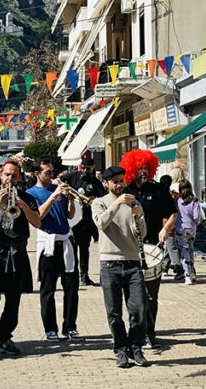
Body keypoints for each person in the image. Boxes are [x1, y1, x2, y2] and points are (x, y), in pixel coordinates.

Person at [0, 160, 41, 358]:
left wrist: (22, 205)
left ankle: (5, 338)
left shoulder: (27, 197)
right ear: (0, 176)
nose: (10, 179)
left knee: (13, 299)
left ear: (19, 177)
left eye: (14, 176)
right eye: (7, 175)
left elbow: (37, 222)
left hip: (18, 251)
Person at [93, 166, 150, 369]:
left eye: (121, 180)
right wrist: (117, 203)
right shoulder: (99, 203)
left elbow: (141, 233)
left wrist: (139, 216)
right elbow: (101, 222)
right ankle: (120, 350)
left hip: (133, 263)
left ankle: (136, 347)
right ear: (106, 183)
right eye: (115, 181)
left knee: (139, 308)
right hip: (109, 263)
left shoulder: (133, 201)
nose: (119, 184)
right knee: (114, 312)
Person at [121, 150, 175, 349]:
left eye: (146, 168)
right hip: (129, 249)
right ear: (131, 170)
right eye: (139, 168)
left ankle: (150, 333)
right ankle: (136, 333)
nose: (143, 172)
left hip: (153, 248)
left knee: (151, 296)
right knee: (134, 296)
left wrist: (165, 229)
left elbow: (173, 213)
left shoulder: (158, 189)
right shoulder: (124, 191)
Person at [26, 159, 80, 341]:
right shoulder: (30, 193)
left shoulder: (60, 191)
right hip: (48, 244)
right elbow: (38, 216)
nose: (51, 176)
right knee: (48, 289)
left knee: (71, 288)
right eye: (47, 172)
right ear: (36, 174)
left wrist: (71, 200)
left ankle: (70, 327)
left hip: (66, 241)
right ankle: (50, 329)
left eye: (52, 172)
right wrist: (52, 196)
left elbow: (70, 215)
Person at [62, 155, 105, 286]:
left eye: (88, 168)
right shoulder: (74, 176)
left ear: (93, 168)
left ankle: (84, 275)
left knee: (84, 250)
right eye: (84, 168)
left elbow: (102, 198)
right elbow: (59, 179)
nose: (85, 170)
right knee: (72, 249)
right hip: (74, 220)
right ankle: (73, 274)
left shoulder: (96, 183)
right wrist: (66, 189)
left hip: (87, 221)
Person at [175, 180, 205, 284]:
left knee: (184, 251)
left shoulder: (178, 202)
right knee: (191, 250)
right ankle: (192, 273)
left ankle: (187, 274)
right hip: (191, 229)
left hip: (180, 229)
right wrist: (196, 224)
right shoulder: (194, 201)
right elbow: (196, 217)